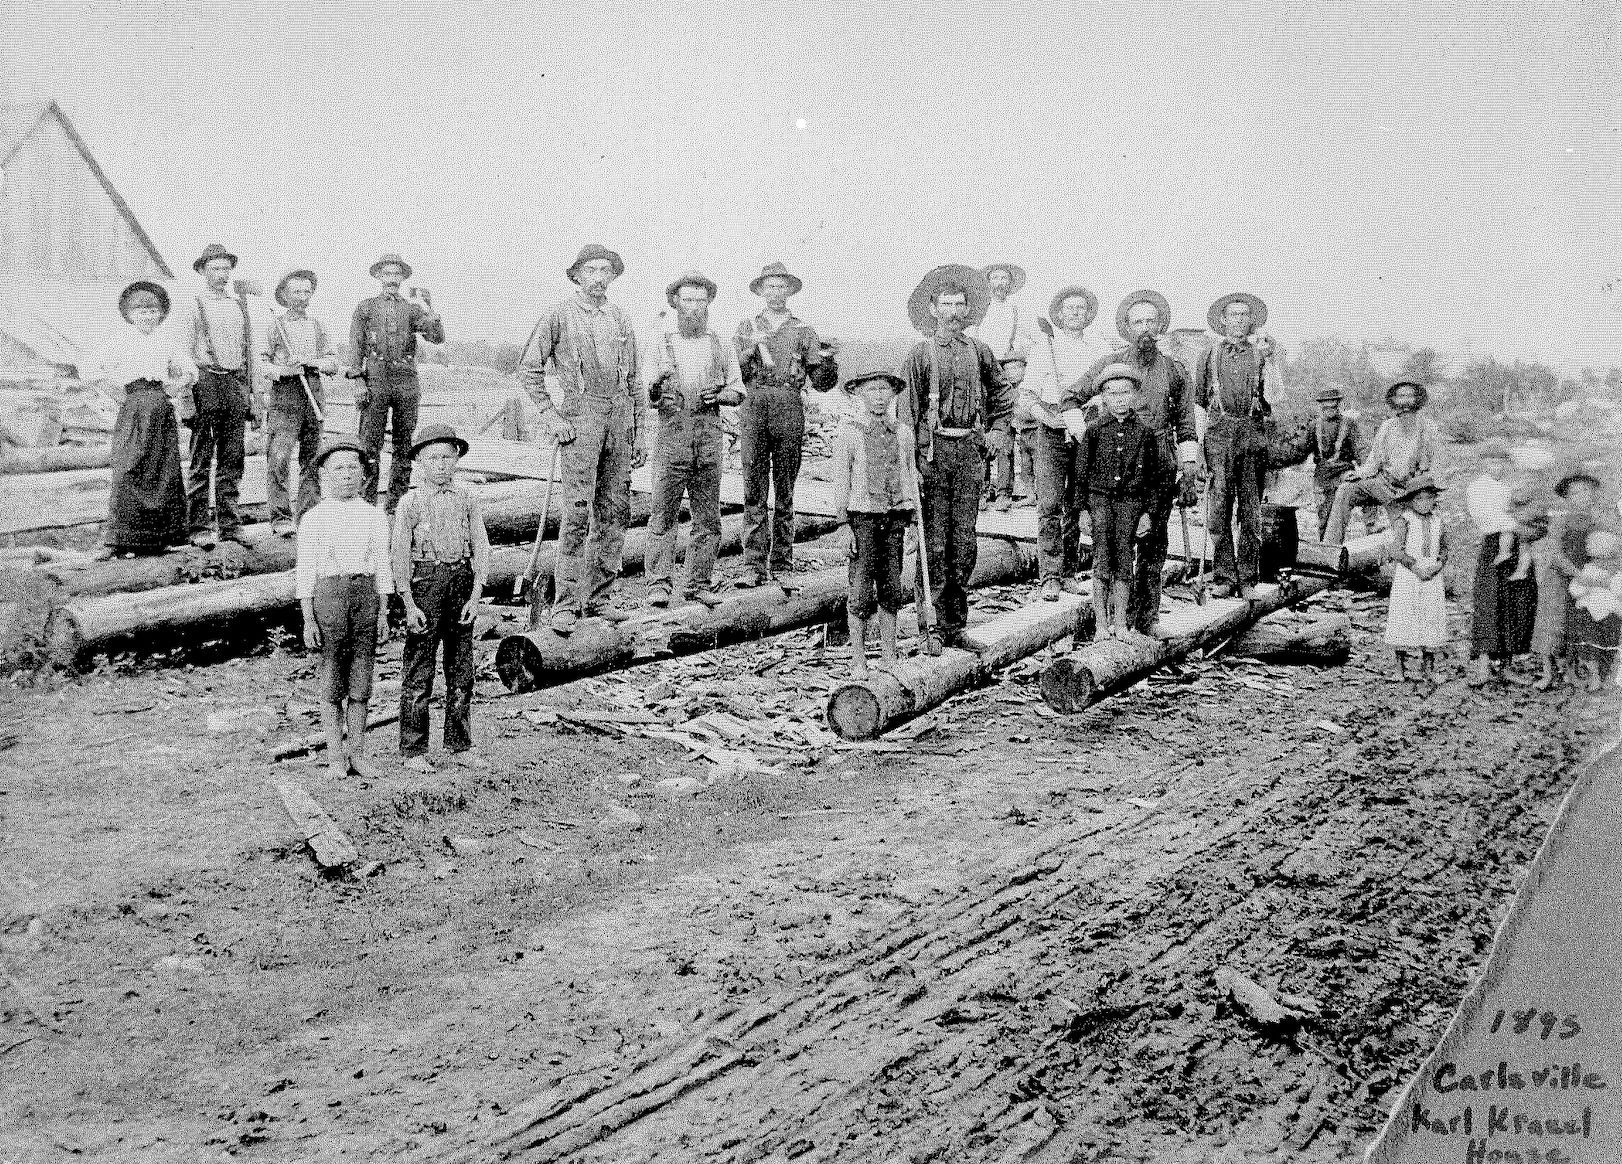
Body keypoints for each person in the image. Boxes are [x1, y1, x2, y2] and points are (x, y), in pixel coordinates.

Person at [518, 244, 647, 635]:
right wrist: (552, 416)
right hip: (581, 417)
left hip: (619, 418)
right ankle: (567, 602)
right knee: (577, 512)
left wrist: (639, 433)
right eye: (591, 270)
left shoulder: (620, 318)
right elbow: (528, 370)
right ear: (576, 275)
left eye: (605, 270)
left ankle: (601, 597)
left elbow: (635, 381)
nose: (598, 277)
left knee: (615, 510)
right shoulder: (558, 315)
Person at [900, 265, 1015, 654]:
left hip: (968, 453)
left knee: (964, 543)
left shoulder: (979, 351)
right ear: (933, 309)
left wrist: (997, 431)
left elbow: (1002, 394)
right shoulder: (920, 354)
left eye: (959, 305)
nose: (953, 312)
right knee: (933, 543)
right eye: (946, 305)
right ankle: (930, 626)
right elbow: (907, 413)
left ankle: (955, 624)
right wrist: (911, 463)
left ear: (968, 310)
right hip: (932, 454)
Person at [1072, 291, 1199, 630]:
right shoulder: (1110, 365)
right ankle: (1114, 621)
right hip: (1115, 472)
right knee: (1113, 548)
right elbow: (1071, 397)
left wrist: (1188, 470)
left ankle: (1147, 618)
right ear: (1126, 327)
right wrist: (1091, 438)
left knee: (1153, 544)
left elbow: (1186, 423)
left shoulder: (1174, 370)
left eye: (1150, 321)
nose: (1144, 328)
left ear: (1160, 326)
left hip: (1157, 466)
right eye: (1137, 321)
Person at [733, 262, 838, 586]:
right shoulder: (747, 327)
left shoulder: (803, 330)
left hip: (789, 406)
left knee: (785, 489)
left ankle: (782, 561)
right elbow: (732, 369)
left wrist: (829, 360)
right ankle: (753, 565)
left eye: (781, 286)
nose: (776, 292)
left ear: (790, 291)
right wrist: (752, 346)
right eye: (770, 286)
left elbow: (822, 383)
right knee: (753, 488)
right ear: (760, 290)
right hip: (754, 405)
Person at [392, 424, 489, 772]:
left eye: (447, 457)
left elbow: (481, 545)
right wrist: (409, 603)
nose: (441, 465)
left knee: (461, 668)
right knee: (419, 667)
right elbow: (399, 554)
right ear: (419, 461)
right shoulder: (410, 502)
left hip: (460, 581)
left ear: (457, 460)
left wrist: (475, 596)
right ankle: (413, 749)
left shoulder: (467, 497)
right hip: (426, 584)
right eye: (433, 458)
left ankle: (459, 743)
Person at [295, 438, 393, 779]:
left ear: (364, 474)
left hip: (365, 596)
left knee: (361, 679)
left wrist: (383, 612)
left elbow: (383, 566)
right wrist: (308, 619)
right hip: (329, 597)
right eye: (339, 468)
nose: (347, 474)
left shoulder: (374, 515)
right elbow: (305, 571)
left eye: (354, 467)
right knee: (331, 678)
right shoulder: (314, 518)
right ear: (324, 474)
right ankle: (336, 757)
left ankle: (358, 754)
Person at [646, 272, 743, 608]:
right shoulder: (661, 343)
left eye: (701, 301)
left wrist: (721, 394)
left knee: (708, 518)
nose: (694, 307)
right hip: (671, 437)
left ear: (709, 303)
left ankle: (698, 583)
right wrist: (657, 387)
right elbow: (647, 395)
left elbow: (738, 391)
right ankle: (658, 585)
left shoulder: (721, 344)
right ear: (675, 303)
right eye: (687, 300)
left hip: (708, 438)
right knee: (663, 514)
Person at [89, 282, 195, 559]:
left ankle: (162, 538)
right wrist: (117, 394)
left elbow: (190, 370)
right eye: (141, 311)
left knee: (162, 469)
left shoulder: (167, 341)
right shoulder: (119, 341)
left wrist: (175, 386)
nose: (147, 316)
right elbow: (89, 368)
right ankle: (120, 540)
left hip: (160, 409)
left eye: (152, 311)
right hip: (133, 408)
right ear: (129, 314)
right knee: (128, 467)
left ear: (161, 314)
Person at [830, 372, 921, 678]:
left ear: (893, 394)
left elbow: (910, 475)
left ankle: (889, 656)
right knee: (860, 589)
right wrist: (843, 524)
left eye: (885, 390)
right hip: (863, 520)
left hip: (893, 519)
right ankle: (858, 660)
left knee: (891, 587)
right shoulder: (849, 433)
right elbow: (841, 479)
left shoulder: (903, 433)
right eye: (873, 390)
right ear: (859, 393)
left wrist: (912, 520)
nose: (880, 396)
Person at [1026, 285, 1109, 598]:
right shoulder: (1044, 347)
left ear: (1088, 314)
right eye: (1069, 308)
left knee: (1076, 502)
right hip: (1052, 430)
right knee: (1050, 503)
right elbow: (1027, 397)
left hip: (1086, 429)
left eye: (1080, 308)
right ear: (1058, 315)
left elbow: (1107, 390)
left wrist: (1092, 414)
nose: (1075, 313)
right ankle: (1049, 575)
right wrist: (1047, 417)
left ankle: (1069, 572)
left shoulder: (1099, 347)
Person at [348, 253, 446, 513]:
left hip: (406, 381)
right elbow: (355, 346)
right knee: (369, 444)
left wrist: (430, 308)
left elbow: (436, 338)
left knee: (404, 445)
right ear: (379, 276)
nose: (392, 279)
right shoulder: (366, 307)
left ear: (403, 278)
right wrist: (358, 382)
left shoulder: (412, 309)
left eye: (396, 274)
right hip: (376, 379)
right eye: (387, 274)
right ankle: (366, 506)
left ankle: (397, 506)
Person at [1193, 291, 1276, 597]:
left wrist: (1272, 360)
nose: (1239, 320)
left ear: (1251, 321)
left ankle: (1249, 579)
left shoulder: (1261, 355)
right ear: (1224, 320)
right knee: (1218, 509)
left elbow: (1275, 398)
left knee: (1251, 511)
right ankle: (1225, 577)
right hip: (1218, 437)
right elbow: (1198, 404)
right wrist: (1199, 448)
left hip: (1252, 437)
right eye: (1234, 315)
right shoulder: (1209, 355)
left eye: (1244, 315)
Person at [1076, 366, 1160, 639]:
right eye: (1112, 394)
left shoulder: (1145, 433)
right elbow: (1080, 475)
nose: (1120, 399)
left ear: (1135, 394)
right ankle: (1101, 625)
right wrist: (1082, 510)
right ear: (1103, 397)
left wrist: (1147, 513)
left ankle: (1121, 623)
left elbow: (1152, 479)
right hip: (1099, 502)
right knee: (1101, 561)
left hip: (1130, 505)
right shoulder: (1094, 431)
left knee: (1124, 562)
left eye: (1125, 392)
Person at [184, 242, 255, 549]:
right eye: (215, 269)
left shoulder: (238, 305)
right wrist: (187, 395)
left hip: (234, 384)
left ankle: (229, 525)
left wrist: (251, 392)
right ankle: (198, 526)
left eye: (226, 269)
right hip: (206, 382)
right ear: (203, 271)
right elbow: (184, 354)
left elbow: (247, 352)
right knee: (201, 457)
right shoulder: (194, 305)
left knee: (232, 458)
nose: (222, 274)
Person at [262, 269, 339, 535]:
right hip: (285, 397)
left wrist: (310, 362)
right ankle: (280, 518)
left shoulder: (318, 325)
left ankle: (308, 515)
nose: (302, 297)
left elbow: (332, 363)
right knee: (279, 458)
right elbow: (262, 365)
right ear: (284, 295)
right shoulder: (275, 326)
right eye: (296, 291)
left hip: (313, 393)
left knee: (312, 458)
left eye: (307, 291)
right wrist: (284, 369)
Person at [1323, 380, 1439, 544]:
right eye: (1400, 396)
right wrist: (1359, 474)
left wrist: (1420, 489)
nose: (1405, 401)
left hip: (1409, 491)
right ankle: (1331, 546)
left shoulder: (1427, 428)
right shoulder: (1387, 426)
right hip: (1383, 484)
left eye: (1409, 396)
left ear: (1417, 399)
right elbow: (1374, 460)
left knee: (1406, 537)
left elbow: (1433, 466)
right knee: (1346, 489)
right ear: (1394, 400)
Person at [1466, 441, 1540, 686]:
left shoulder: (1510, 487)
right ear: (1483, 463)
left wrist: (1525, 525)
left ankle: (1507, 665)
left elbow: (1527, 513)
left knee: (1514, 601)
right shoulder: (1477, 488)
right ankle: (1483, 666)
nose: (1496, 466)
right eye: (1491, 461)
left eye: (1500, 462)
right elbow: (1484, 518)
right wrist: (1513, 523)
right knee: (1489, 602)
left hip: (1516, 545)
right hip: (1494, 546)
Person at [1532, 470, 1600, 690]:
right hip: (1558, 579)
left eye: (1586, 491)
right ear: (1567, 498)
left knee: (1578, 624)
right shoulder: (1560, 522)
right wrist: (1577, 574)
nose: (1582, 496)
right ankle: (1548, 673)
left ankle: (1574, 670)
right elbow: (1556, 555)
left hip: (1584, 580)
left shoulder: (1595, 522)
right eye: (1575, 493)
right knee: (1551, 624)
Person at [1383, 475, 1450, 683]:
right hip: (1409, 575)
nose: (1424, 503)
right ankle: (1399, 668)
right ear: (1410, 501)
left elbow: (1444, 548)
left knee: (1430, 617)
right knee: (1404, 617)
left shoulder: (1438, 521)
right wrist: (1414, 567)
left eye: (1429, 498)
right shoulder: (1404, 521)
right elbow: (1397, 550)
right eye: (1419, 499)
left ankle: (1428, 668)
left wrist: (1438, 565)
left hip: (1432, 575)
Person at [1285, 386, 1373, 540]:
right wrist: (1280, 458)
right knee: (1324, 516)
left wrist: (1368, 469)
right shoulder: (1314, 426)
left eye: (1333, 404)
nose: (1330, 408)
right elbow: (1300, 451)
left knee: (1356, 502)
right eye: (1326, 405)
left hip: (1344, 473)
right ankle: (1326, 548)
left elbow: (1361, 449)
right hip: (1323, 476)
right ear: (1321, 405)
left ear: (1338, 404)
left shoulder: (1349, 424)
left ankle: (1371, 533)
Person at [1569, 529, 1621, 692]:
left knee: (1608, 647)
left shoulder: (1616, 573)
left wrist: (1609, 583)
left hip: (1609, 615)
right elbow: (1574, 589)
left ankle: (1605, 676)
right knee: (1590, 647)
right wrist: (1588, 585)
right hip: (1588, 614)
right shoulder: (1587, 570)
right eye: (1598, 558)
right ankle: (1595, 675)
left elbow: (1619, 591)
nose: (1601, 562)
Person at [988, 353, 1032, 511]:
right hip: (1007, 424)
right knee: (1004, 450)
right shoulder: (1001, 389)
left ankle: (1032, 493)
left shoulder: (1030, 386)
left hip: (1028, 427)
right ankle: (1003, 494)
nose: (1012, 373)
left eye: (1016, 368)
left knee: (1030, 456)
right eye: (1007, 369)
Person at [969, 262, 1033, 358]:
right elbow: (970, 338)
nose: (1000, 283)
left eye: (1004, 278)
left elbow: (1028, 339)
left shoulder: (1016, 311)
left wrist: (1018, 352)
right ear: (988, 282)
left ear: (1010, 283)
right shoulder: (979, 308)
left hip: (1007, 362)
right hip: (982, 360)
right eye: (995, 278)